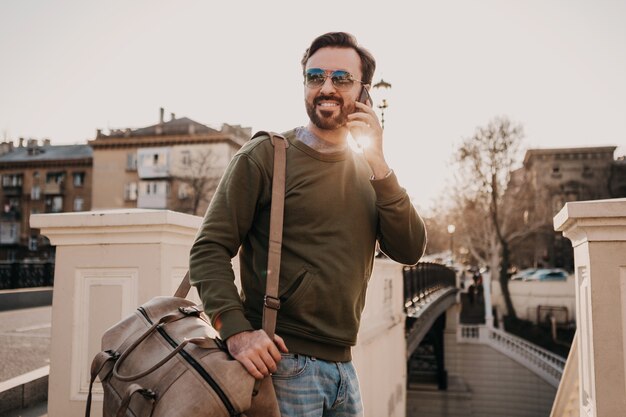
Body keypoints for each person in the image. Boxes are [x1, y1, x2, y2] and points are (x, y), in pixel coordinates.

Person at [189, 31, 427, 417]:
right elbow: (208, 248)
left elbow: (411, 248)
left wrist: (380, 165)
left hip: (344, 372)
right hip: (280, 367)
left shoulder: (372, 173)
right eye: (316, 77)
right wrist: (236, 331)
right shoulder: (266, 156)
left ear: (364, 92)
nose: (326, 88)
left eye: (341, 79)